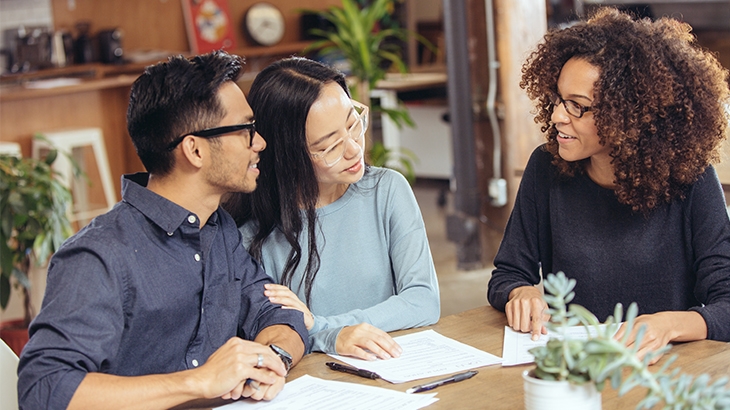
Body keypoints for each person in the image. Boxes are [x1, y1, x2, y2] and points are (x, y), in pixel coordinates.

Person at [17, 51, 308, 410]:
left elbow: (278, 313)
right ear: (195, 150)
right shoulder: (99, 255)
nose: (259, 142)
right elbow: (45, 388)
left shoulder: (219, 230)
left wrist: (270, 360)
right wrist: (197, 382)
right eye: (246, 130)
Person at [487, 8, 730, 361]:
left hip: (668, 373)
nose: (556, 116)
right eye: (558, 99)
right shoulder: (546, 167)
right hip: (574, 365)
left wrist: (670, 325)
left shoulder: (691, 179)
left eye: (577, 106)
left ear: (629, 114)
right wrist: (520, 292)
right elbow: (507, 274)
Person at [223, 57, 440, 361]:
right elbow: (268, 334)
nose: (354, 149)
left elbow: (423, 301)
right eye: (329, 147)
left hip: (393, 365)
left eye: (353, 125)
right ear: (288, 155)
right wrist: (329, 337)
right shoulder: (250, 234)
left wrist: (325, 329)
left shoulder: (388, 190)